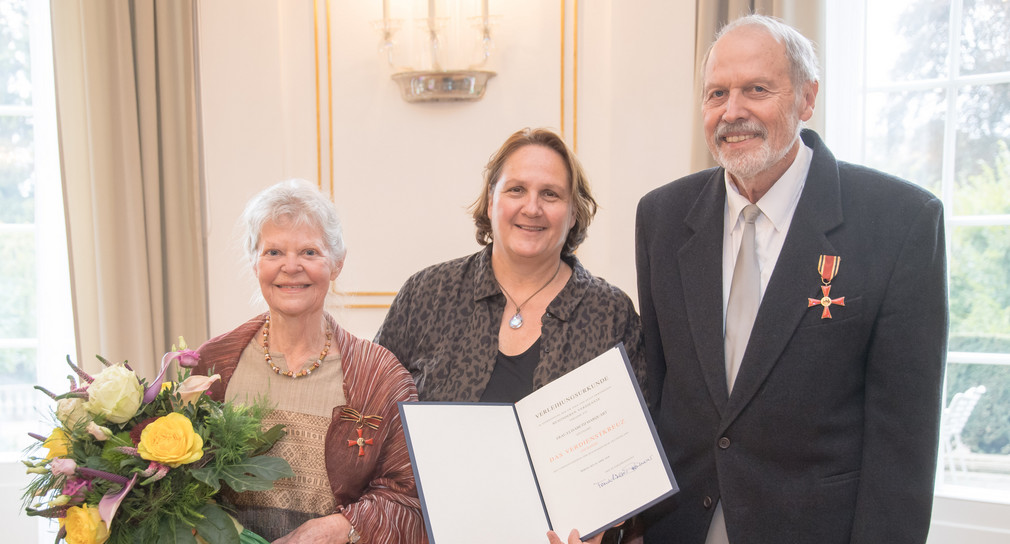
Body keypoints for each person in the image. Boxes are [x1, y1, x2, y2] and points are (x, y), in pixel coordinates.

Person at [636, 14, 947, 544]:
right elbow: (658, 391)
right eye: (717, 94)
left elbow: (904, 442)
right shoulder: (662, 217)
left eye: (757, 89)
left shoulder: (900, 222)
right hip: (681, 526)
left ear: (807, 98)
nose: (732, 112)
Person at [374, 127, 645, 544]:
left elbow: (634, 455)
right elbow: (374, 423)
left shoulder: (611, 313)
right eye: (516, 189)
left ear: (574, 212)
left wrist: (608, 521)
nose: (532, 208)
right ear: (490, 200)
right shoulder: (428, 294)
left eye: (551, 194)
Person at [193, 179, 425, 544]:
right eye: (273, 252)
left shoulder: (381, 376)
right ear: (254, 261)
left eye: (309, 252)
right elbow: (178, 482)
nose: (291, 266)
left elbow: (411, 499)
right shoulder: (211, 366)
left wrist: (340, 527)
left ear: (336, 263)